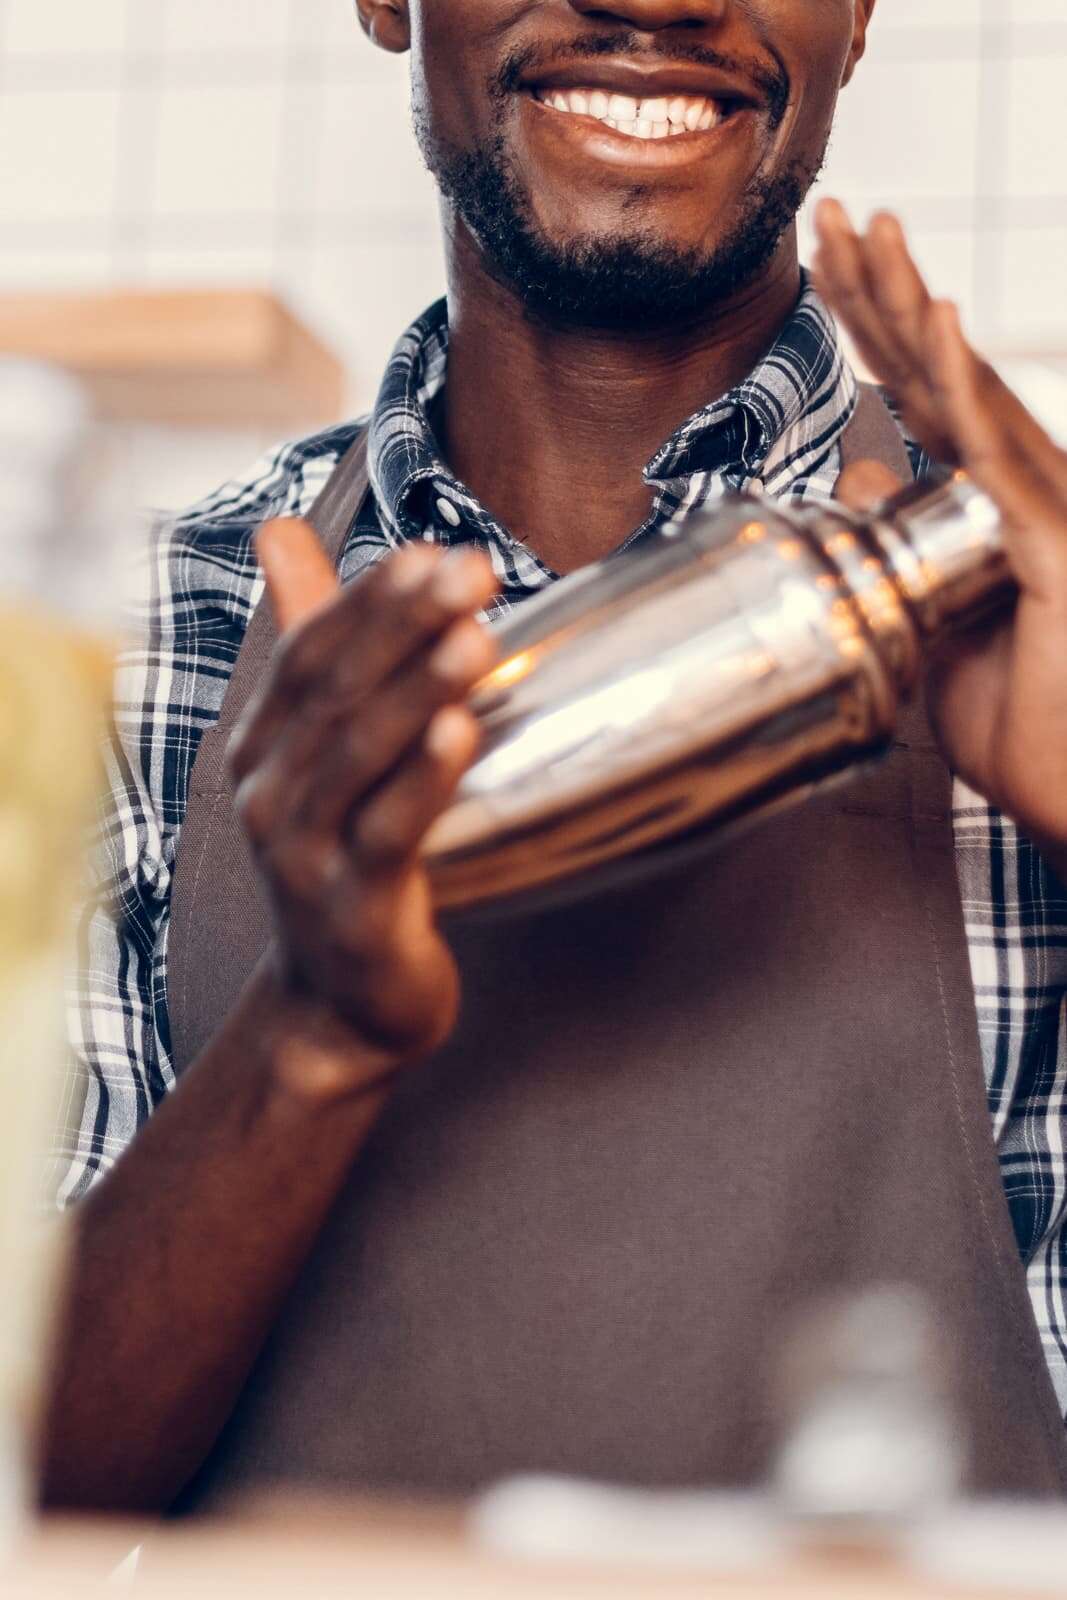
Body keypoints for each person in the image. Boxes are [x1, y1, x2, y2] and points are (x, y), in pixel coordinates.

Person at [44, 0, 1067, 1515]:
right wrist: (313, 1033)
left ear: (858, 14)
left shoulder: (1040, 595)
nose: (654, 2)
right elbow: (37, 1469)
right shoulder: (141, 641)